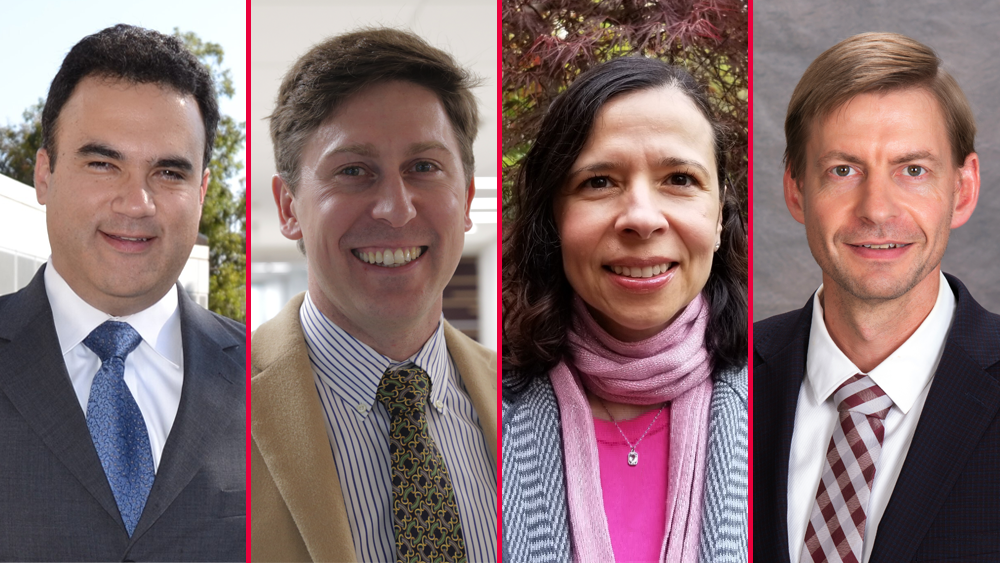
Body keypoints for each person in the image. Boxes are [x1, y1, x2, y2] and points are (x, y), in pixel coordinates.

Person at [251, 28, 497, 563]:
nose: (396, 208)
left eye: (424, 168)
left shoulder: (527, 401)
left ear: (467, 198)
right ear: (289, 207)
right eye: (354, 171)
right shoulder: (207, 402)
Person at [0, 24, 245, 561]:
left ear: (202, 191)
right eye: (103, 163)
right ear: (45, 174)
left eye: (169, 172)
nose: (136, 203)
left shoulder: (272, 382)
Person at [754, 32, 1000, 563]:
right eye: (843, 170)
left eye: (913, 170)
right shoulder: (724, 376)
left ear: (963, 189)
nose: (877, 209)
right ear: (796, 189)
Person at [502, 56, 749, 563]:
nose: (640, 217)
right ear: (554, 217)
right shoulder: (478, 419)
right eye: (599, 182)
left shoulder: (790, 405)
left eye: (680, 178)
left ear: (721, 214)